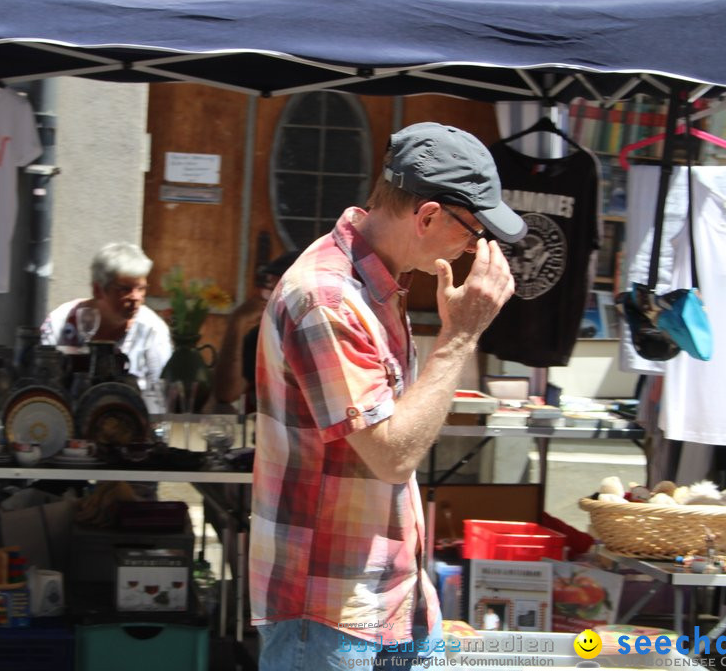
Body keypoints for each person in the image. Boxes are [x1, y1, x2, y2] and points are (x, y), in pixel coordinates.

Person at [249, 122, 525, 670]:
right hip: (329, 614)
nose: (476, 247)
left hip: (383, 601)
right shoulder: (327, 297)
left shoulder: (375, 284)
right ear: (426, 216)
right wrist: (461, 336)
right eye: (473, 230)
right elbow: (392, 456)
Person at [40, 242, 172, 391]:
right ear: (98, 290)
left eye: (141, 289)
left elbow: (161, 393)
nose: (136, 297)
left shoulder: (152, 331)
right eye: (125, 289)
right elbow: (41, 381)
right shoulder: (59, 323)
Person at [212, 250, 299, 413]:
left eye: (278, 287)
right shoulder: (262, 336)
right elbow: (226, 393)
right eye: (269, 289)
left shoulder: (321, 336)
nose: (269, 297)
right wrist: (236, 324)